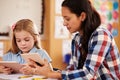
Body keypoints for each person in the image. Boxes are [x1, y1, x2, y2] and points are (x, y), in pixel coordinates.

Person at [20, 0, 120, 79]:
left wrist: (50, 74)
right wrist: (46, 70)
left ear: (82, 16)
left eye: (67, 19)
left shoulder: (101, 35)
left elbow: (88, 74)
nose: (64, 23)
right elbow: (71, 71)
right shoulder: (76, 39)